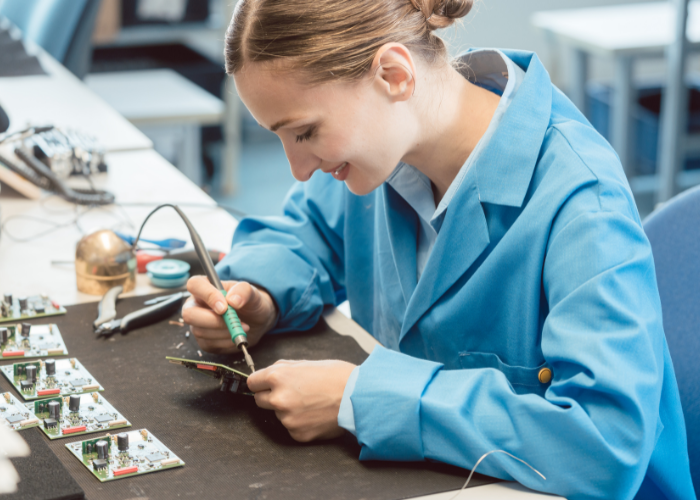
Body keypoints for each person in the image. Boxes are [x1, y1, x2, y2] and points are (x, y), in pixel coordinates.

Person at [181, 0, 696, 498]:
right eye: (281, 137)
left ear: (393, 75)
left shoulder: (581, 203)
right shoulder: (382, 148)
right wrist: (260, 296)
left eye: (306, 132)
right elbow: (300, 235)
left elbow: (605, 445)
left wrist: (360, 398)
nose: (298, 167)